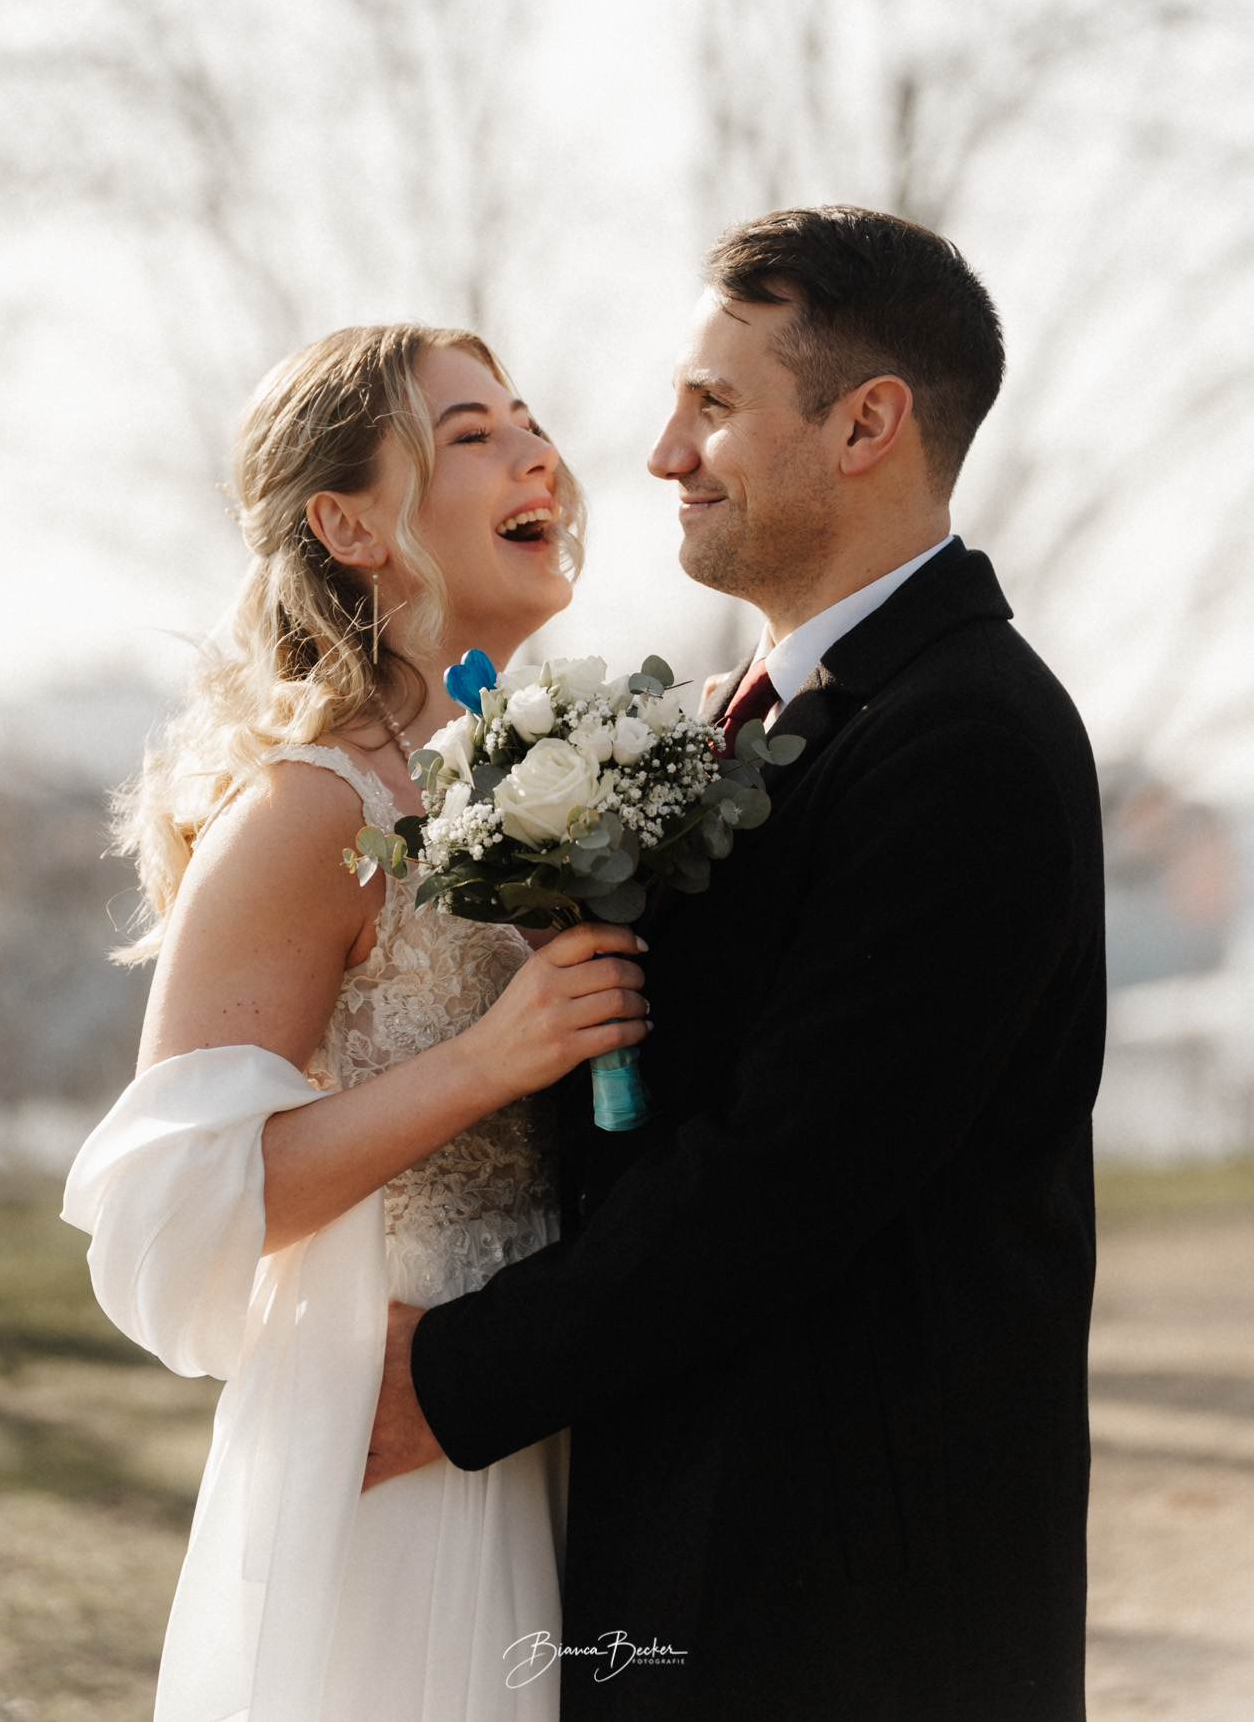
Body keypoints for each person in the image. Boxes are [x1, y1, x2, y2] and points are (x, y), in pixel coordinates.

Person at [367, 209, 1108, 1721]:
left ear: (866, 424)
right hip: (701, 1545)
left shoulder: (968, 741)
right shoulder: (756, 716)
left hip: (855, 1600)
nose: (657, 453)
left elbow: (786, 1178)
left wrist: (446, 1381)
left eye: (713, 406)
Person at [61, 323, 649, 1722]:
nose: (538, 454)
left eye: (528, 420)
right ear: (348, 522)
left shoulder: (539, 772)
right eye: (470, 433)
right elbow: (181, 1203)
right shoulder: (309, 810)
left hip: (563, 1410)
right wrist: (488, 1061)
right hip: (398, 1452)